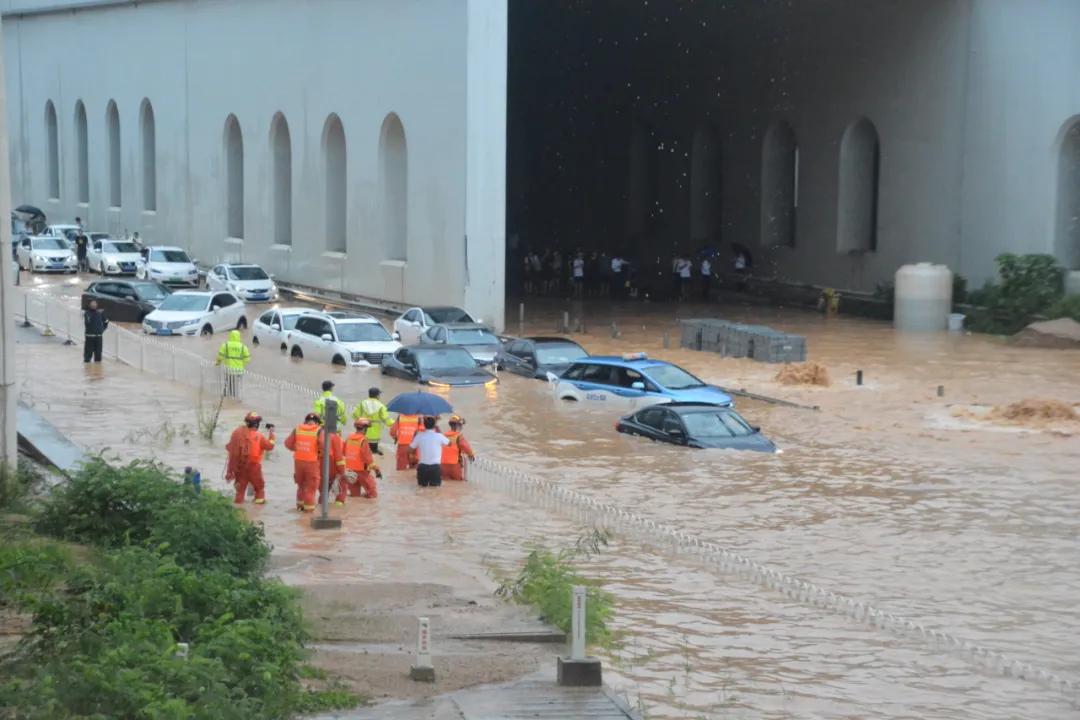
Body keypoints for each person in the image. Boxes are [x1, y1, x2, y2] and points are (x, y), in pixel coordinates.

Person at [224, 411, 275, 504]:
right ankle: (257, 514)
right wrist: (271, 433)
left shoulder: (237, 433)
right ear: (257, 424)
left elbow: (230, 450)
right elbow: (270, 446)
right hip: (254, 468)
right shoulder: (259, 436)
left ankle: (238, 512)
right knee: (259, 489)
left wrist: (230, 471)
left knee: (240, 492)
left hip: (240, 468)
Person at [285, 412, 324, 512]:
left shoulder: (297, 429)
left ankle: (299, 507)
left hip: (298, 462)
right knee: (311, 488)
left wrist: (299, 449)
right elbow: (324, 446)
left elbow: (288, 444)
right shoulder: (319, 430)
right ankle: (308, 514)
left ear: (305, 421)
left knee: (301, 486)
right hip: (312, 462)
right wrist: (318, 452)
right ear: (317, 422)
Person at [336, 419, 380, 504]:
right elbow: (368, 459)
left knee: (355, 496)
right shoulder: (363, 440)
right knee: (373, 494)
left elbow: (344, 452)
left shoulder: (349, 438)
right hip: (362, 473)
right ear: (365, 429)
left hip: (351, 473)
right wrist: (376, 469)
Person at [410, 416, 448, 487]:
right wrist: (439, 430)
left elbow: (409, 449)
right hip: (435, 468)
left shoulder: (419, 436)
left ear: (424, 425)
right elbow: (449, 443)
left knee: (421, 489)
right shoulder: (439, 436)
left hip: (422, 467)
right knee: (435, 490)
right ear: (434, 425)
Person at [353, 386, 391, 455]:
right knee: (373, 452)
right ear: (377, 395)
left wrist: (361, 421)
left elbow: (355, 415)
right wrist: (395, 424)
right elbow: (386, 419)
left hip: (363, 431)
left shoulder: (362, 403)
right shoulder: (381, 405)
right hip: (375, 434)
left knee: (362, 450)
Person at [215, 329, 251, 397]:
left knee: (228, 382)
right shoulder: (243, 347)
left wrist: (217, 363)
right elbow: (248, 359)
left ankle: (227, 396)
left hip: (229, 369)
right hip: (239, 370)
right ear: (239, 337)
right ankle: (235, 397)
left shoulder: (225, 345)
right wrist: (241, 364)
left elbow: (220, 357)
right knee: (237, 385)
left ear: (230, 336)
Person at [440, 415, 476, 482]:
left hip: (442, 465)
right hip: (454, 466)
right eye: (461, 425)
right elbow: (466, 447)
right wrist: (471, 455)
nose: (461, 427)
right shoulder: (458, 437)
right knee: (457, 484)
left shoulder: (443, 435)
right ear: (457, 425)